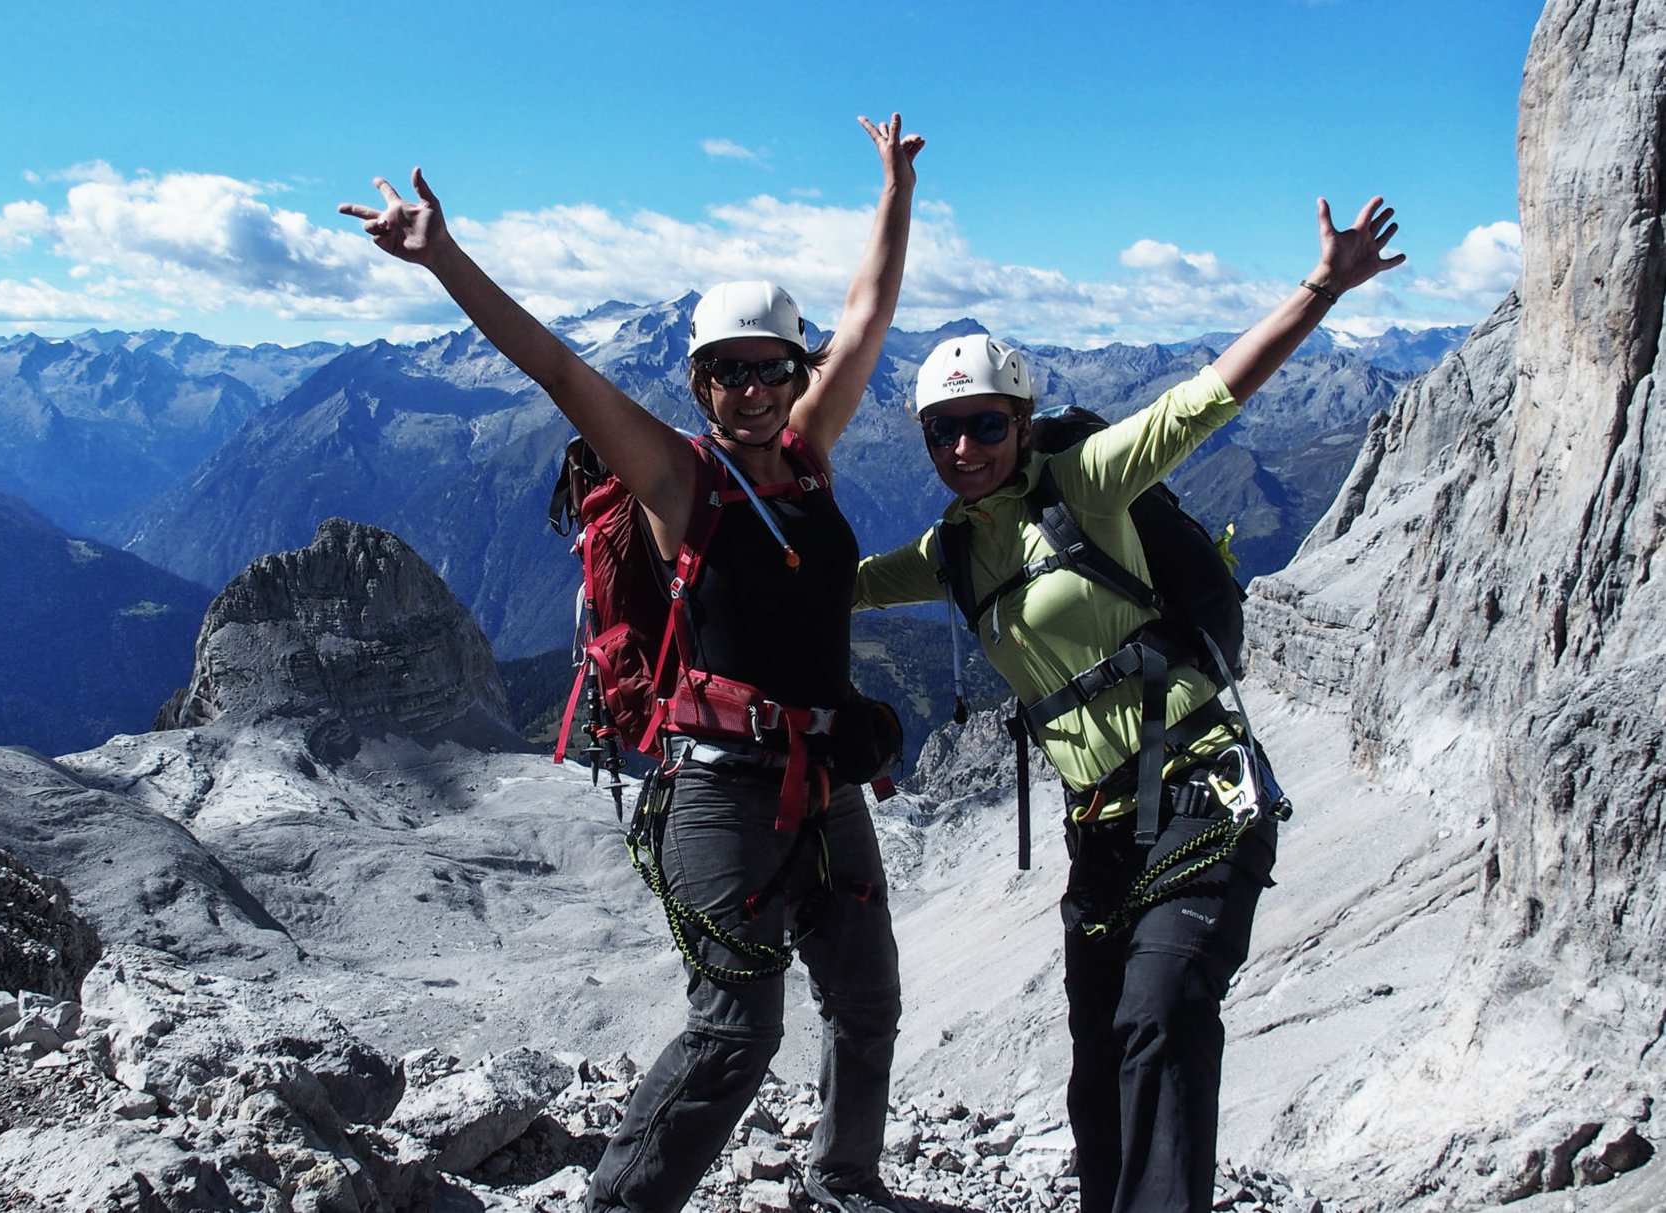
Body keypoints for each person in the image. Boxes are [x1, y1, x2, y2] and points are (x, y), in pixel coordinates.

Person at [342, 115, 925, 1213]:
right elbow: (557, 366)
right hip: (716, 787)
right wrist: (443, 258)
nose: (753, 390)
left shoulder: (809, 455)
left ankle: (844, 1180)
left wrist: (893, 185)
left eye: (771, 370)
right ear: (700, 385)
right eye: (728, 374)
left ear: (794, 373)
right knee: (736, 1026)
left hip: (825, 777)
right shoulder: (676, 480)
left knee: (865, 995)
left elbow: (869, 313)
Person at [853, 197, 1405, 1213]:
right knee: (1099, 1051)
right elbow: (830, 585)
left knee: (1160, 1015)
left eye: (984, 426)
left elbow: (1207, 399)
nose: (964, 448)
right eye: (944, 433)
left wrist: (1320, 288)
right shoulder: (951, 550)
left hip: (1201, 797)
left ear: (1020, 424)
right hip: (1100, 831)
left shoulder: (1087, 484)